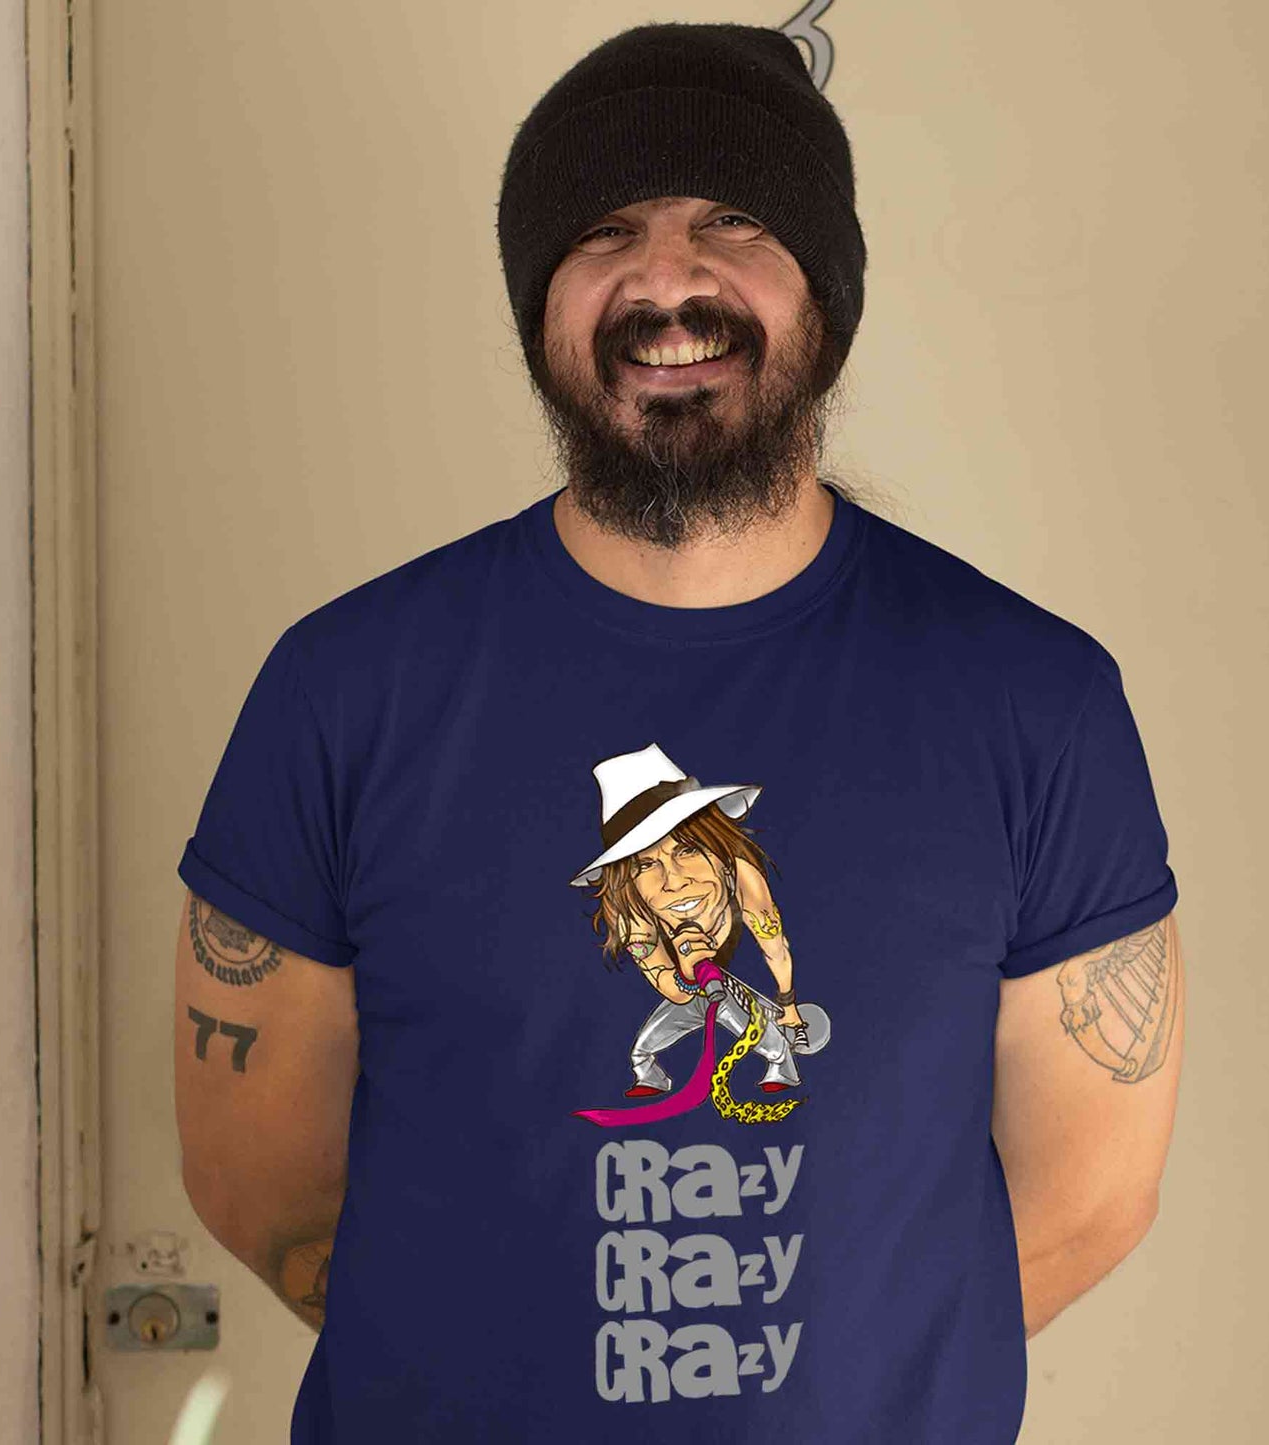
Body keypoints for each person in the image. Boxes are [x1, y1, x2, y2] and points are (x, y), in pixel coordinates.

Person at [173, 21, 1185, 1444]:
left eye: (734, 222)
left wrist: (833, 1378)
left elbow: (1088, 1196)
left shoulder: (1032, 700)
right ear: (539, 306)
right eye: (604, 232)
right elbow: (257, 1179)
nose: (664, 280)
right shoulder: (345, 689)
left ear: (825, 292)